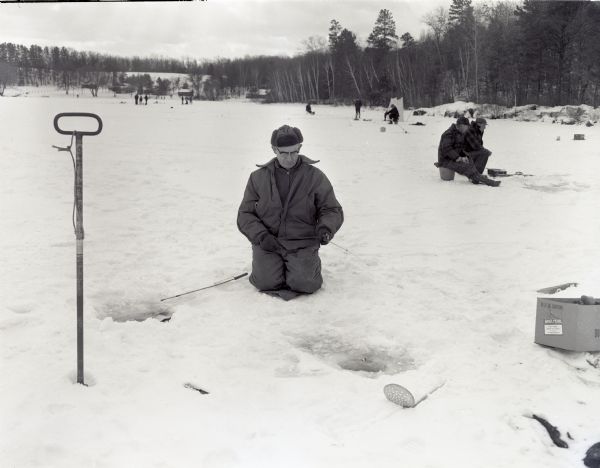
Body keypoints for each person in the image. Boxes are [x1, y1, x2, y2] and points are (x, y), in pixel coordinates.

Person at [237, 125, 344, 300]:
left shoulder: (315, 176)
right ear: (274, 150)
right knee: (264, 282)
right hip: (269, 243)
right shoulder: (257, 178)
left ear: (300, 148)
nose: (289, 158)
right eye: (284, 153)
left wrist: (325, 228)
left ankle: (302, 266)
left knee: (307, 284)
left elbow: (331, 208)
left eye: (294, 152)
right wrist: (261, 236)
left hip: (302, 242)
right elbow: (245, 214)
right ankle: (277, 267)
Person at [436, 117, 500, 187]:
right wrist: (458, 158)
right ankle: (489, 182)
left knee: (469, 162)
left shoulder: (460, 133)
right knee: (466, 167)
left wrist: (464, 157)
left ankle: (477, 177)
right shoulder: (448, 134)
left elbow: (460, 148)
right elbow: (447, 149)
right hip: (445, 161)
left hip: (453, 159)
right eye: (467, 126)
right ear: (462, 125)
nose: (468, 129)